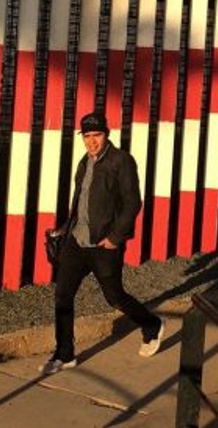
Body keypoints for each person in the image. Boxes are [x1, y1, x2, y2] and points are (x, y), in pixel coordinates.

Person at [40, 111, 164, 375]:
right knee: (63, 294)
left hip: (104, 244)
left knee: (114, 297)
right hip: (77, 240)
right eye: (87, 136)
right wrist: (65, 229)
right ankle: (65, 353)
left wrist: (115, 238)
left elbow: (133, 202)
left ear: (106, 134)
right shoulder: (84, 162)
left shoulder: (122, 161)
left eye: (97, 135)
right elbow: (80, 203)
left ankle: (152, 324)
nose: (92, 141)